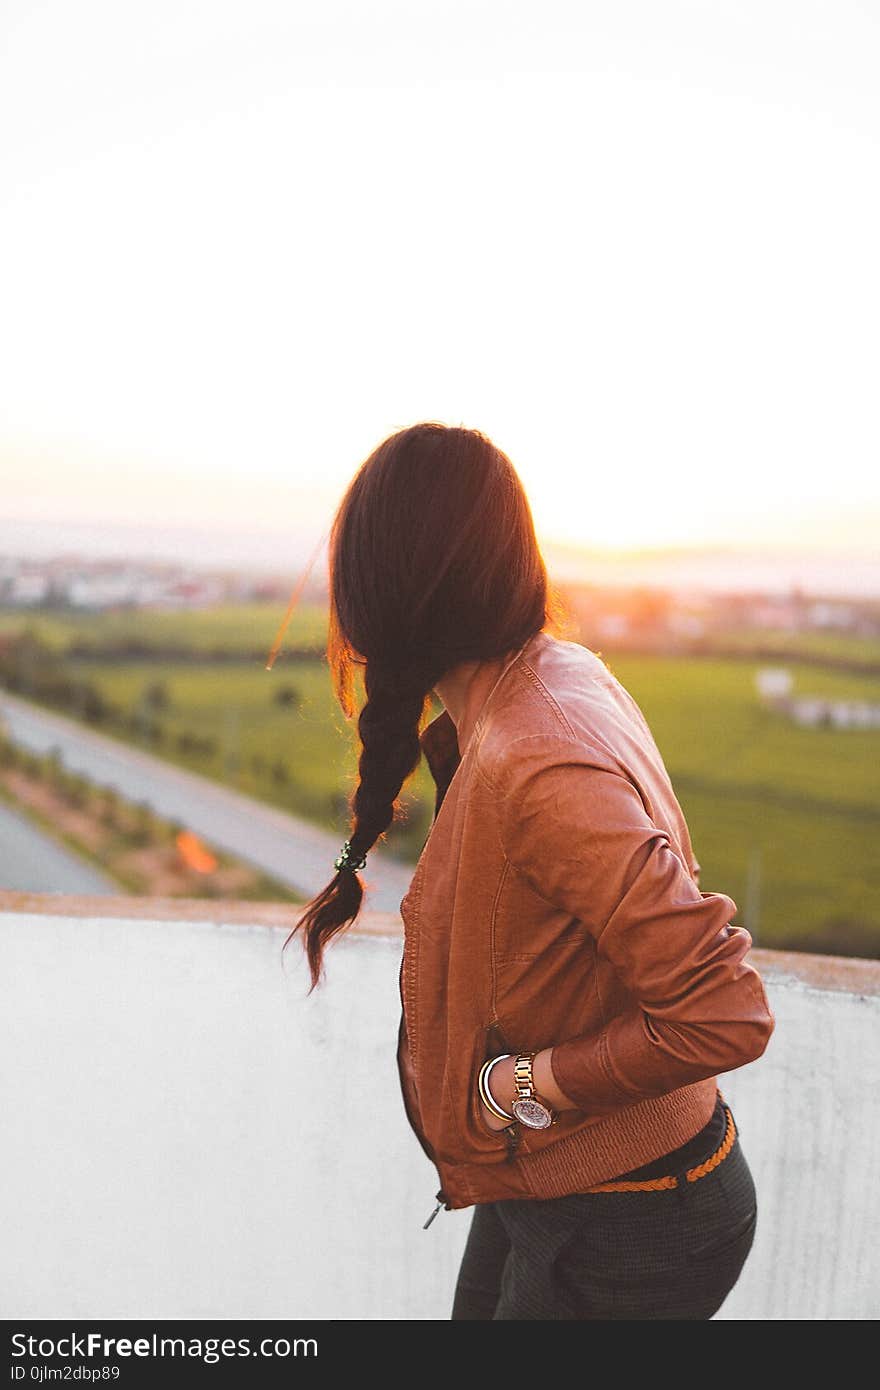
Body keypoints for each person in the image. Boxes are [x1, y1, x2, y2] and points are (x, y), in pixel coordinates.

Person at [286, 421, 775, 1320]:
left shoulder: (536, 758)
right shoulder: (544, 680)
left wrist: (519, 1087)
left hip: (634, 1214)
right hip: (552, 1178)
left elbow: (723, 1011)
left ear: (374, 590)